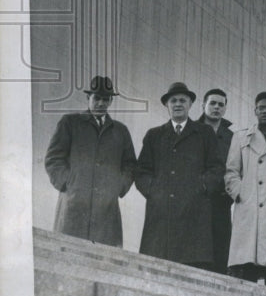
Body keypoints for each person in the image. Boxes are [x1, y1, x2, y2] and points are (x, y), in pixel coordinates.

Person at [136, 81, 224, 267]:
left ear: (190, 104)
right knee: (157, 267)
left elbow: (216, 168)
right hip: (161, 214)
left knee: (192, 266)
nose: (177, 104)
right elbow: (142, 170)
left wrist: (202, 187)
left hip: (195, 212)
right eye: (173, 100)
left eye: (182, 100)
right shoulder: (154, 135)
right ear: (167, 105)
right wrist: (153, 190)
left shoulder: (204, 133)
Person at [44, 75, 136, 247]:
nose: (101, 103)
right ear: (88, 98)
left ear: (110, 102)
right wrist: (67, 182)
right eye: (97, 98)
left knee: (104, 259)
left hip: (106, 210)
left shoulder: (121, 131)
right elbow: (53, 158)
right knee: (67, 253)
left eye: (105, 99)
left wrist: (118, 186)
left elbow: (130, 164)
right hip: (73, 206)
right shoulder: (70, 123)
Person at [225, 91, 266, 288]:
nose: (265, 111)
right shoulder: (241, 137)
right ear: (255, 110)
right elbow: (231, 171)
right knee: (245, 271)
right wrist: (240, 193)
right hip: (248, 208)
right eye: (261, 108)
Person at [197, 87, 234, 274]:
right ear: (203, 105)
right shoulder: (191, 130)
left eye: (221, 104)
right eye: (212, 103)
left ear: (225, 109)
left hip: (221, 202)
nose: (216, 107)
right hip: (195, 201)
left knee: (220, 252)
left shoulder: (232, 138)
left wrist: (231, 194)